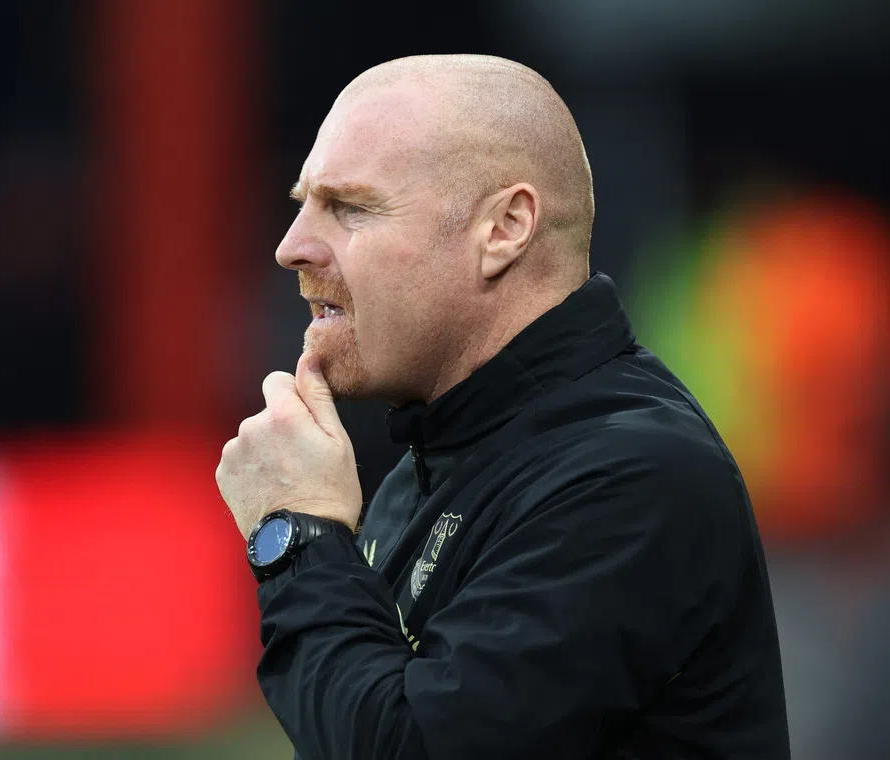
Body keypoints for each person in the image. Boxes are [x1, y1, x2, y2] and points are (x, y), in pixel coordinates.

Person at [215, 54, 790, 759]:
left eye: (349, 207)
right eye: (303, 203)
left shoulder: (632, 475)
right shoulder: (437, 460)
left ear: (505, 228)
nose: (291, 247)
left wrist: (292, 534)